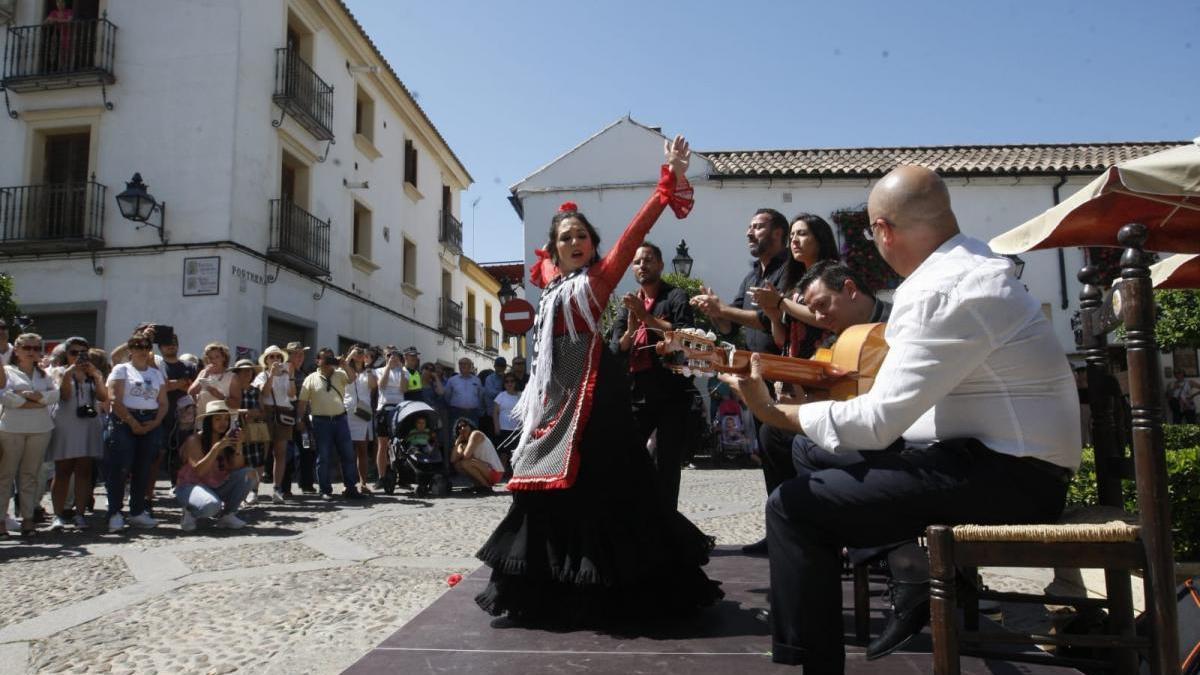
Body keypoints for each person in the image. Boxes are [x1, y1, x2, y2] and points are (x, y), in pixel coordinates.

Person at [723, 165, 1081, 669]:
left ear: (884, 232)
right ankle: (906, 565)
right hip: (996, 456)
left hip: (1014, 476)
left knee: (791, 507)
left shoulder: (941, 288)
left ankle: (816, 659)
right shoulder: (970, 267)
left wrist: (770, 409)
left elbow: (878, 423)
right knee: (805, 448)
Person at [475, 135, 722, 627]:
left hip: (596, 393)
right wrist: (549, 250)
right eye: (565, 237)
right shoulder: (551, 287)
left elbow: (634, 233)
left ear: (592, 247)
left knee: (607, 484)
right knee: (548, 488)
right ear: (555, 248)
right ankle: (550, 585)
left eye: (581, 236)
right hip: (557, 396)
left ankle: (614, 586)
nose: (574, 242)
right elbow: (542, 268)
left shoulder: (597, 281)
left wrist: (666, 182)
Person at [689, 208, 799, 555]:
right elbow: (730, 326)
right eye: (748, 227)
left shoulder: (789, 271)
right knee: (767, 456)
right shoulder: (751, 275)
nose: (750, 233)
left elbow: (770, 321)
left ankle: (798, 535)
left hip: (783, 375)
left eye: (758, 226)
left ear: (779, 232)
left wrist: (724, 310)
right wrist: (716, 314)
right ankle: (779, 532)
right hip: (755, 375)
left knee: (786, 455)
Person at [610, 241, 697, 512]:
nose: (642, 265)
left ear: (660, 264)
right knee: (626, 455)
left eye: (648, 260)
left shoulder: (675, 297)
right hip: (637, 391)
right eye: (637, 262)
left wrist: (647, 317)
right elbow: (617, 347)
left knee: (668, 463)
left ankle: (667, 522)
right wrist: (630, 329)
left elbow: (686, 335)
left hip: (671, 391)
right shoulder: (627, 305)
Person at [105, 331, 169, 532]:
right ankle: (115, 512)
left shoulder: (156, 373)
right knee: (120, 467)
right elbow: (114, 398)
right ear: (130, 350)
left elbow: (163, 402)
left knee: (144, 468)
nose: (142, 351)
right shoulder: (121, 369)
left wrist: (155, 421)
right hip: (124, 420)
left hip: (150, 420)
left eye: (146, 347)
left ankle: (137, 511)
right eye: (137, 347)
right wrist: (132, 422)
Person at [0, 333, 59, 536]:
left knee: (30, 475)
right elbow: (6, 397)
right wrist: (34, 402)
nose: (32, 352)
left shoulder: (44, 374)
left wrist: (34, 397)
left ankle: (27, 518)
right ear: (16, 350)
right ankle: (1, 520)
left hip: (40, 428)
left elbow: (55, 395)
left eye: (35, 348)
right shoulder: (7, 371)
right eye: (27, 348)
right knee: (5, 475)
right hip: (11, 428)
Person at [46, 337, 107, 530]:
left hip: (88, 424)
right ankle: (58, 514)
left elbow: (104, 397)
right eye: (74, 353)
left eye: (83, 353)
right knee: (62, 470)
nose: (78, 357)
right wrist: (70, 373)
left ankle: (80, 514)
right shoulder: (58, 371)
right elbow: (64, 395)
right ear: (67, 354)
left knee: (84, 470)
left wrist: (96, 376)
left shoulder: (92, 373)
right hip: (66, 423)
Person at [175, 401, 256, 531]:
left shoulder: (227, 439)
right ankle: (190, 512)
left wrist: (239, 445)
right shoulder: (194, 440)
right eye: (217, 419)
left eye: (226, 419)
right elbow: (199, 472)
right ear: (208, 421)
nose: (223, 423)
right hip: (191, 486)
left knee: (249, 473)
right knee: (212, 506)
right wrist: (216, 449)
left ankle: (228, 515)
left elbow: (238, 467)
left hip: (216, 485)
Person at [296, 351, 364, 501]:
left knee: (348, 455)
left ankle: (351, 488)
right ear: (317, 360)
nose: (327, 360)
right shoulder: (310, 378)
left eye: (330, 357)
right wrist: (299, 419)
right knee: (323, 457)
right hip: (321, 422)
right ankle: (325, 490)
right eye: (324, 357)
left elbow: (353, 378)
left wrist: (345, 364)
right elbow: (302, 402)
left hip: (340, 420)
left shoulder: (340, 374)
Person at [255, 345, 295, 503]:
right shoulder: (262, 375)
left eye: (278, 357)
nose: (276, 360)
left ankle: (277, 489)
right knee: (261, 453)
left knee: (280, 453)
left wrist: (290, 375)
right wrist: (271, 375)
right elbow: (264, 393)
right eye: (272, 357)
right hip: (267, 413)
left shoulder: (286, 376)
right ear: (266, 360)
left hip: (284, 413)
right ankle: (254, 490)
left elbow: (292, 395)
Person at [342, 345, 377, 495]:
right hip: (348, 411)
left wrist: (368, 367)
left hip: (363, 413)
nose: (359, 355)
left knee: (362, 449)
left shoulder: (369, 371)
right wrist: (350, 356)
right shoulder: (344, 370)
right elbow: (339, 370)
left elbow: (373, 386)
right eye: (357, 353)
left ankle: (363, 483)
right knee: (347, 451)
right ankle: (348, 484)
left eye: (362, 353)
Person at [231, 359, 266, 504]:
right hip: (238, 427)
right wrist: (243, 412)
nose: (247, 373)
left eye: (249, 370)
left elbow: (264, 412)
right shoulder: (232, 390)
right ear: (237, 373)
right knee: (240, 459)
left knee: (257, 460)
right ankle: (241, 492)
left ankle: (254, 491)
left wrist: (254, 413)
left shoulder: (255, 390)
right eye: (244, 370)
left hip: (256, 427)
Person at [284, 341, 315, 494]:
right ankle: (285, 488)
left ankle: (306, 484)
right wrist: (298, 419)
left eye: (302, 354)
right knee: (287, 452)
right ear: (288, 355)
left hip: (303, 420)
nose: (300, 357)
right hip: (287, 418)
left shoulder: (304, 374)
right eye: (296, 354)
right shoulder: (284, 373)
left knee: (307, 449)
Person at [374, 347, 406, 491]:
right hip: (384, 409)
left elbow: (404, 389)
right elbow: (381, 385)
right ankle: (381, 477)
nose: (392, 357)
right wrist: (388, 366)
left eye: (395, 354)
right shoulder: (379, 370)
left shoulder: (403, 371)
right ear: (385, 356)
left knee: (399, 444)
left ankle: (400, 476)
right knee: (382, 444)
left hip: (399, 409)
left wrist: (401, 369)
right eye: (389, 355)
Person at [450, 417, 505, 494]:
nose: (462, 428)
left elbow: (466, 456)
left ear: (470, 426)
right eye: (459, 427)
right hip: (485, 470)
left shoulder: (476, 434)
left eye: (464, 425)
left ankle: (486, 487)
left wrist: (461, 450)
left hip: (495, 472)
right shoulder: (463, 443)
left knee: (465, 463)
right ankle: (478, 486)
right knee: (458, 465)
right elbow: (453, 460)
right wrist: (457, 444)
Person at [188, 342, 235, 412]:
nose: (213, 360)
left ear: (224, 358)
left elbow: (236, 403)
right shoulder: (203, 372)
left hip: (223, 418)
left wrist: (221, 396)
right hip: (203, 417)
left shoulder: (232, 376)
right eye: (210, 358)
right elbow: (191, 392)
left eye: (217, 357)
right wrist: (206, 374)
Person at [490, 372, 521, 473]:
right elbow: (495, 412)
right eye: (507, 382)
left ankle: (515, 473)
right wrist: (496, 427)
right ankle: (501, 473)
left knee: (516, 453)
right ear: (504, 384)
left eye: (512, 381)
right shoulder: (501, 396)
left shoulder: (521, 395)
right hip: (503, 428)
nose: (509, 383)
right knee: (503, 453)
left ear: (515, 383)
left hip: (517, 429)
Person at [445, 358, 483, 426]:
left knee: (472, 434)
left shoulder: (477, 380)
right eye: (460, 364)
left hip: (472, 413)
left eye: (465, 364)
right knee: (456, 433)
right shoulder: (452, 380)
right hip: (456, 412)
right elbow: (447, 396)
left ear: (470, 366)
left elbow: (480, 396)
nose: (462, 365)